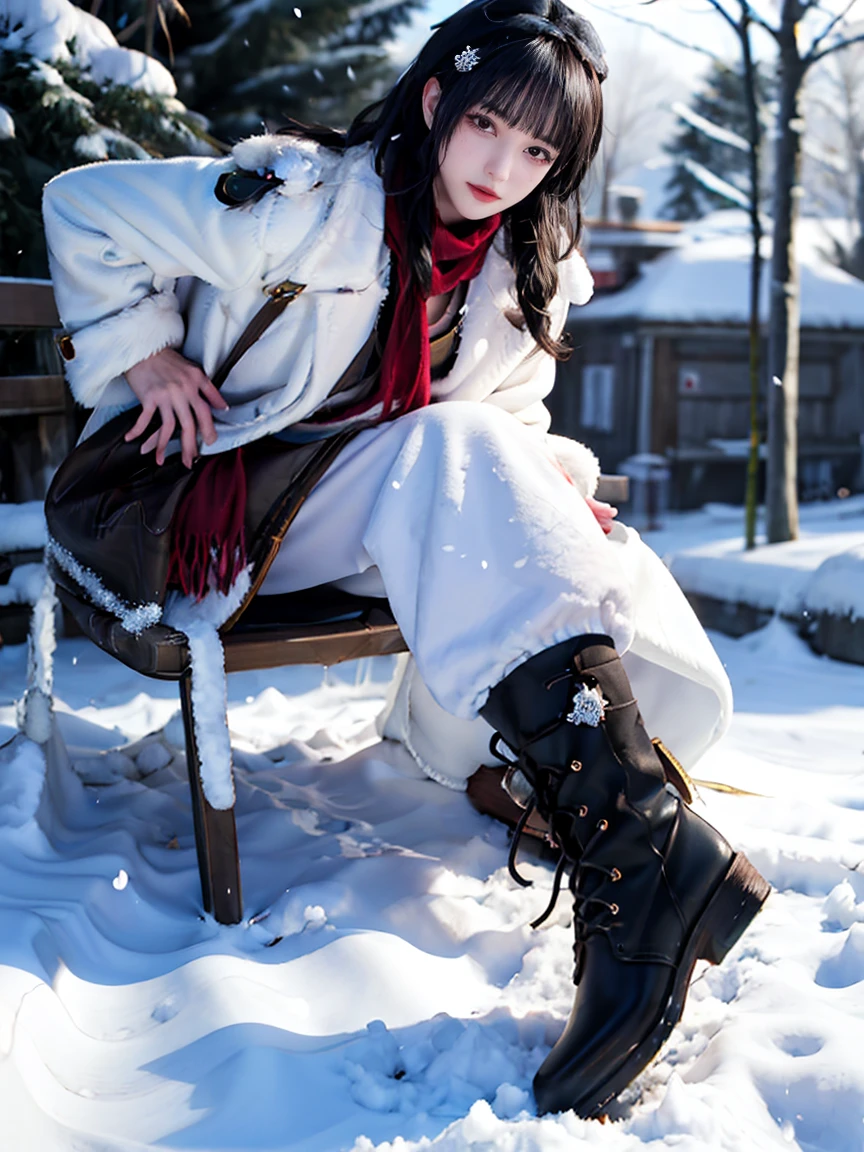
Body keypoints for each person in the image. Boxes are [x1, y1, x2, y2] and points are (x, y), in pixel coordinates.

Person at [41, 0, 769, 1120]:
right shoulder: (298, 204)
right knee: (449, 447)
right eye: (488, 126)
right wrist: (140, 357)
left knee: (551, 515)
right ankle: (644, 863)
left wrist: (545, 501)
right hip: (196, 501)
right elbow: (82, 202)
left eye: (538, 153)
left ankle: (635, 842)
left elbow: (508, 423)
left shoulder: (518, 269)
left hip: (357, 511)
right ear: (436, 102)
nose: (504, 168)